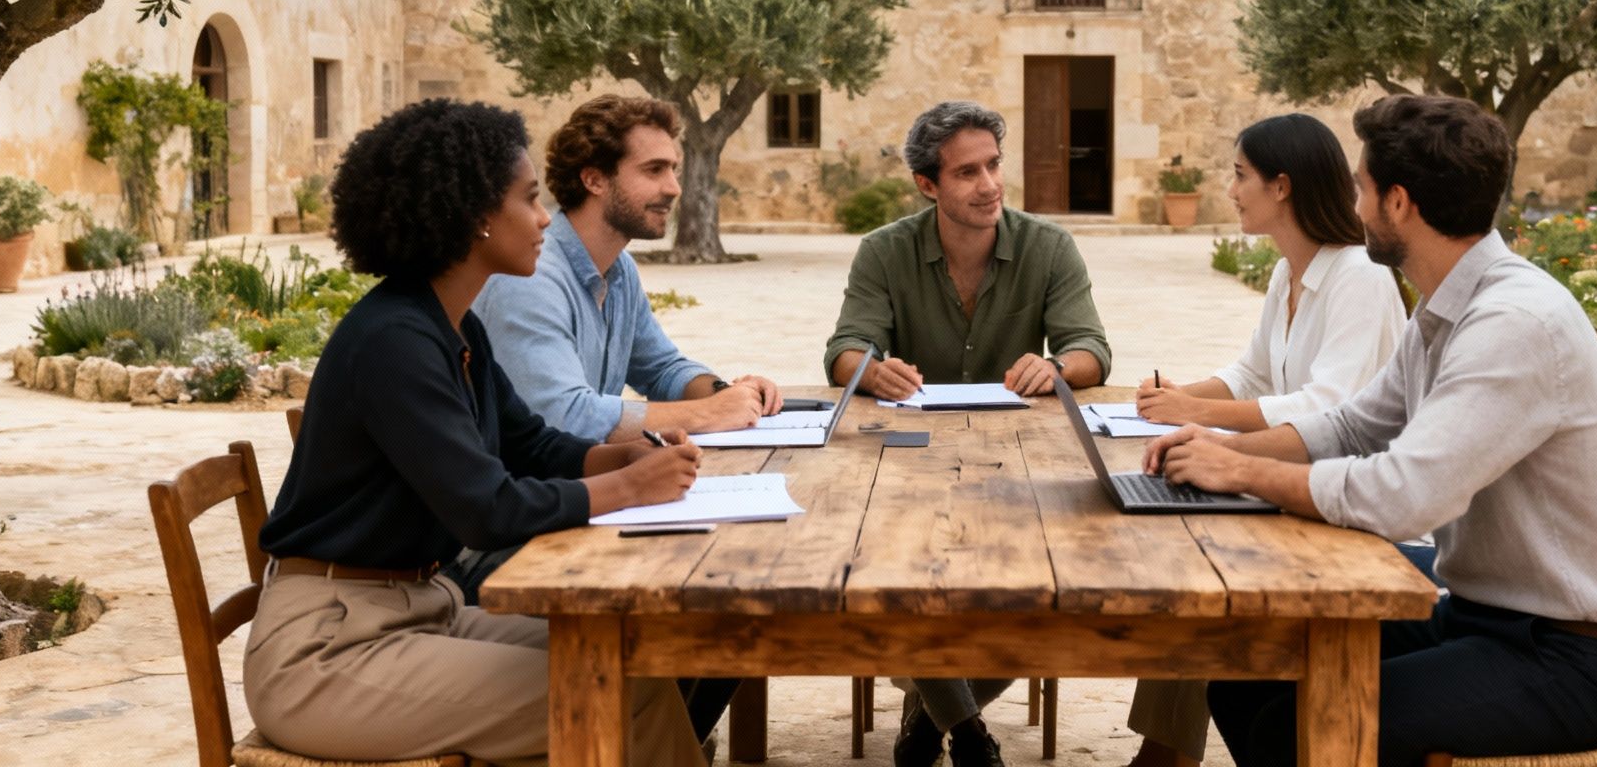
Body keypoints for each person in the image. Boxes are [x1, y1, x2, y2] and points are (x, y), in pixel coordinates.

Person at [1145, 95, 1597, 767]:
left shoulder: (1513, 323)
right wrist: (1219, 449)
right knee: (1246, 674)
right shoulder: (1447, 309)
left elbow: (1402, 495)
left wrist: (1243, 473)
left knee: (1296, 727)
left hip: (1568, 657)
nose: (1352, 206)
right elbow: (1354, 423)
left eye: (1362, 189)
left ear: (1398, 203)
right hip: (1482, 619)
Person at [245, 99, 708, 767]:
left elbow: (533, 445)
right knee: (613, 693)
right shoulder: (394, 343)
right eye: (529, 200)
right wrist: (629, 487)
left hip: (417, 612)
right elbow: (486, 509)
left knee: (636, 667)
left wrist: (619, 455)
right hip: (330, 651)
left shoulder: (455, 326)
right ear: (475, 218)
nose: (546, 218)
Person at [461, 93, 771, 743]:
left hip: (582, 510)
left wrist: (730, 390)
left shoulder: (616, 269)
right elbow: (563, 415)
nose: (672, 187)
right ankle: (648, 744)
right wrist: (707, 412)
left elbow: (661, 366)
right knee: (709, 605)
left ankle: (663, 744)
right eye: (654, 170)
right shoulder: (531, 275)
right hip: (513, 540)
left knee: (738, 601)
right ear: (596, 179)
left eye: (673, 170)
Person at [825, 100, 1113, 767]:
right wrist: (873, 371)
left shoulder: (1048, 247)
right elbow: (845, 349)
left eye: (993, 166)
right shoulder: (884, 251)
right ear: (928, 185)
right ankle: (973, 735)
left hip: (1019, 464)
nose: (988, 184)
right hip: (903, 466)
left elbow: (1091, 349)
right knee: (889, 567)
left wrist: (1055, 365)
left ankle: (932, 714)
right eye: (966, 173)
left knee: (1047, 584)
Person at [1123, 114, 1408, 767]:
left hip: (1341, 510)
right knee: (1188, 547)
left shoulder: (1360, 277)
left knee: (1202, 564)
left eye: (1240, 174)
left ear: (1282, 187)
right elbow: (1253, 371)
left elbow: (1329, 407)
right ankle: (1163, 752)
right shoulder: (1290, 273)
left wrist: (1206, 426)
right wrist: (1173, 402)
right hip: (1293, 492)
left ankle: (1163, 756)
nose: (1230, 188)